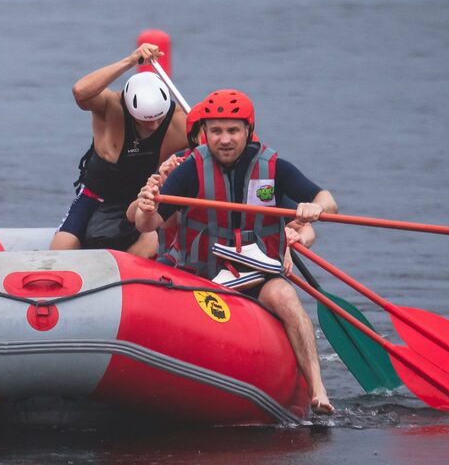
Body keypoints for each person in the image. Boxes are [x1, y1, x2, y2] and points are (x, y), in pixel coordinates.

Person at [129, 89, 337, 415]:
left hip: (257, 273)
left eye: (232, 131)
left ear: (248, 132)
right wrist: (145, 208)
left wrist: (315, 207)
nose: (224, 140)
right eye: (216, 131)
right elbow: (149, 222)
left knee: (286, 297)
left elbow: (328, 200)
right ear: (205, 134)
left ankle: (318, 388)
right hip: (203, 274)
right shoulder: (189, 168)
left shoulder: (274, 167)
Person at [50, 32, 188, 254]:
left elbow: (218, 144)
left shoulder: (181, 121)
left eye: (158, 119)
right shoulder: (110, 108)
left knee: (149, 242)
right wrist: (131, 60)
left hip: (140, 201)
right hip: (95, 195)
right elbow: (80, 92)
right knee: (62, 248)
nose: (153, 126)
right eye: (144, 121)